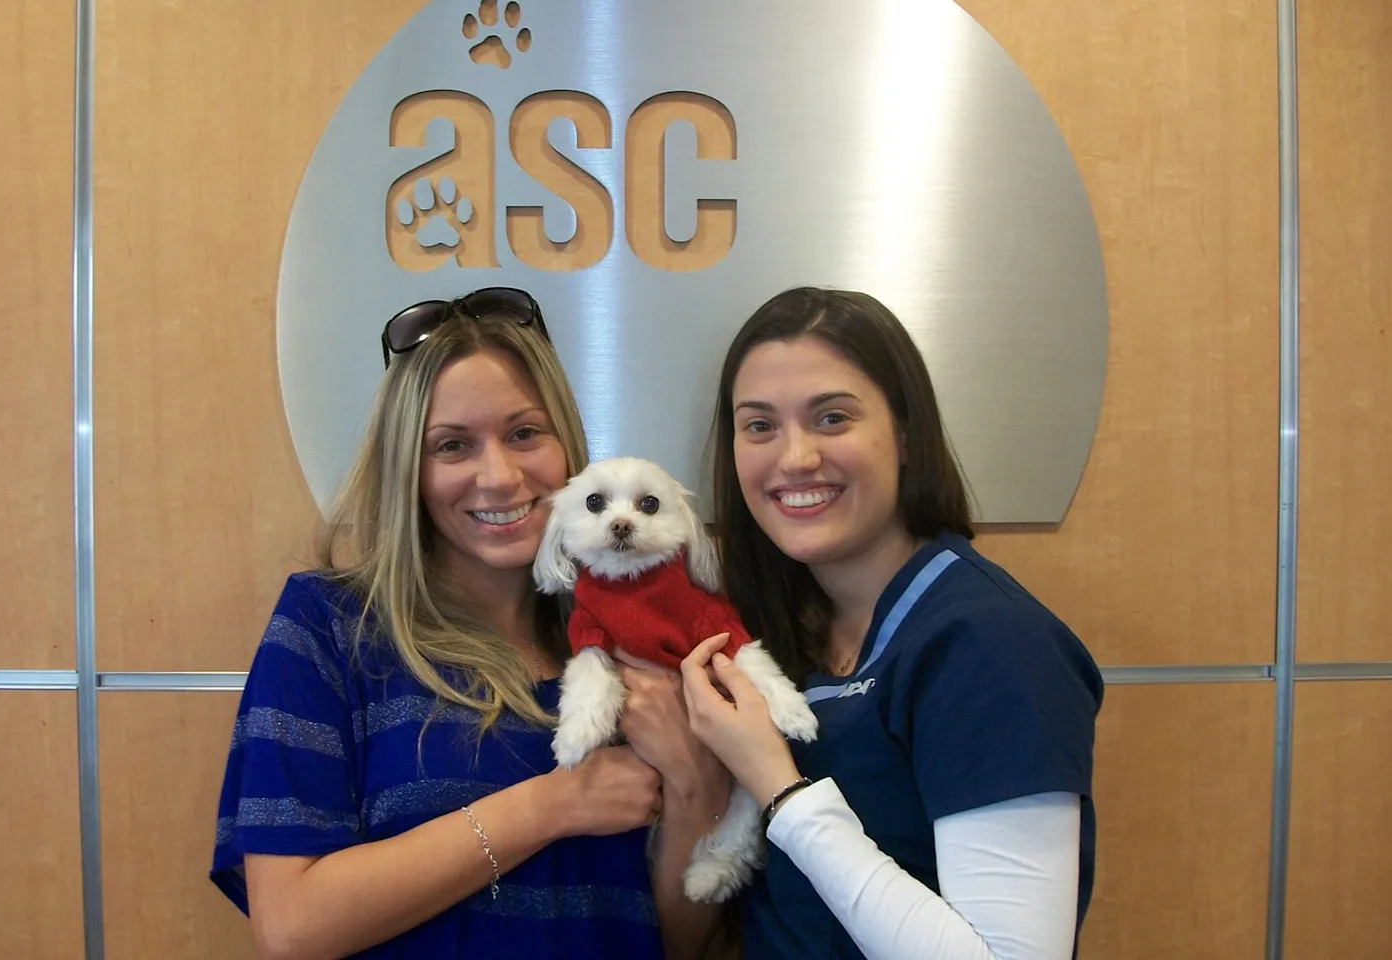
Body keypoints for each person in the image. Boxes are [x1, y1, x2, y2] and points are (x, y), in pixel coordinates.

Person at [210, 287, 730, 960]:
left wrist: (693, 787)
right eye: (452, 445)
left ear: (566, 446)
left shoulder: (637, 647)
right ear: (411, 471)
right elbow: (292, 927)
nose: (500, 475)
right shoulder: (329, 628)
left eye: (524, 433)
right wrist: (550, 807)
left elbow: (677, 942)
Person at [679, 286, 1104, 959]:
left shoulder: (989, 645)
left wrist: (779, 788)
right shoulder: (783, 630)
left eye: (832, 418)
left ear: (905, 433)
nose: (794, 458)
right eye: (760, 426)